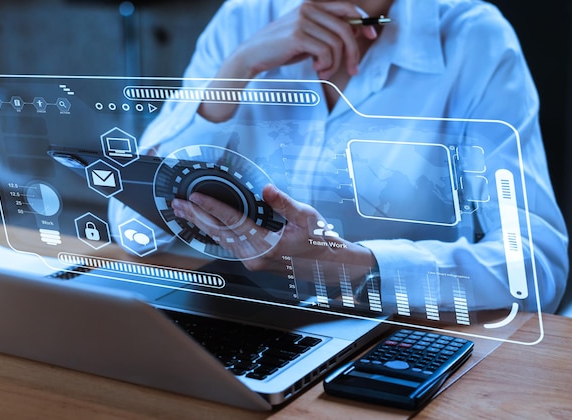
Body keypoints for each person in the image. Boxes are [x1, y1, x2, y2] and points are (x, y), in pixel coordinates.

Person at [109, 0, 568, 316]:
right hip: (239, 313)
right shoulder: (246, 16)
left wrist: (352, 266)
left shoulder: (474, 39)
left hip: (400, 334)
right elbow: (132, 230)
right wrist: (238, 69)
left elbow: (536, 266)